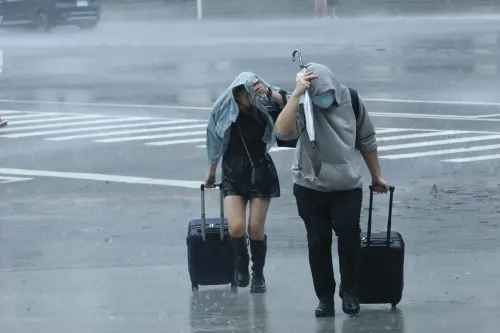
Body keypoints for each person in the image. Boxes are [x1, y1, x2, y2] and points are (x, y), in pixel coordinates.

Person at [274, 63, 390, 317]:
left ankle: (349, 291)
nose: (322, 100)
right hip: (309, 185)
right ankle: (324, 297)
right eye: (316, 95)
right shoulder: (304, 103)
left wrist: (376, 175)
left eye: (325, 94)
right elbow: (282, 132)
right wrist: (296, 95)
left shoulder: (352, 100)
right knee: (318, 241)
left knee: (349, 238)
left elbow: (367, 139)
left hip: (346, 185)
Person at [204, 72, 291, 293]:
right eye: (241, 96)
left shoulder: (266, 105)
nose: (245, 101)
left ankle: (258, 274)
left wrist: (270, 93)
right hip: (233, 171)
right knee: (236, 227)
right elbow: (213, 136)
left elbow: (294, 103)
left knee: (255, 228)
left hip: (261, 170)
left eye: (248, 95)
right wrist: (211, 170)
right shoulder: (224, 110)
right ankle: (242, 260)